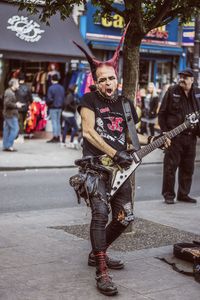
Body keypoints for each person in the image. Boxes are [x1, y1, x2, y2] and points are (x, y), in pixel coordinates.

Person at [73, 30, 170, 296]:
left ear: (118, 78)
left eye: (111, 78)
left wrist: (153, 137)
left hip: (120, 171)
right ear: (95, 81)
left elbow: (131, 136)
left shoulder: (126, 104)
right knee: (100, 214)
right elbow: (88, 132)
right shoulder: (88, 100)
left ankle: (98, 252)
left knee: (125, 217)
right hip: (95, 168)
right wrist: (115, 153)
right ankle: (101, 271)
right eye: (102, 79)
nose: (108, 83)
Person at [158, 68, 200, 205]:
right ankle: (168, 195)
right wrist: (165, 133)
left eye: (186, 77)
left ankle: (184, 194)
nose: (182, 79)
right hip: (174, 137)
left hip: (191, 138)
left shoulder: (198, 93)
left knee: (188, 168)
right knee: (170, 167)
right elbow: (162, 113)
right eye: (181, 76)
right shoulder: (172, 90)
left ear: (192, 80)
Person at [2, 78, 25, 152]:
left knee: (7, 130)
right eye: (17, 83)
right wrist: (16, 105)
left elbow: (7, 103)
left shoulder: (9, 92)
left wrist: (16, 104)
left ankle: (6, 145)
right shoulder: (9, 93)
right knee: (15, 129)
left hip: (8, 113)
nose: (18, 85)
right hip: (10, 114)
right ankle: (8, 145)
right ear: (13, 84)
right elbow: (7, 103)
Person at [46, 74, 65, 143]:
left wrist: (48, 104)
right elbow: (63, 98)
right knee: (58, 122)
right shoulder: (62, 88)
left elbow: (49, 99)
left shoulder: (51, 88)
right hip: (60, 107)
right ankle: (58, 136)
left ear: (52, 80)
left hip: (53, 107)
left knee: (54, 122)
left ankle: (55, 137)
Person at [16, 73, 32, 141]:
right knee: (23, 122)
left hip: (18, 106)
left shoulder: (16, 87)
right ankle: (21, 134)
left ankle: (20, 135)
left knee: (19, 122)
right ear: (24, 80)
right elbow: (30, 99)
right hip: (25, 107)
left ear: (18, 80)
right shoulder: (27, 88)